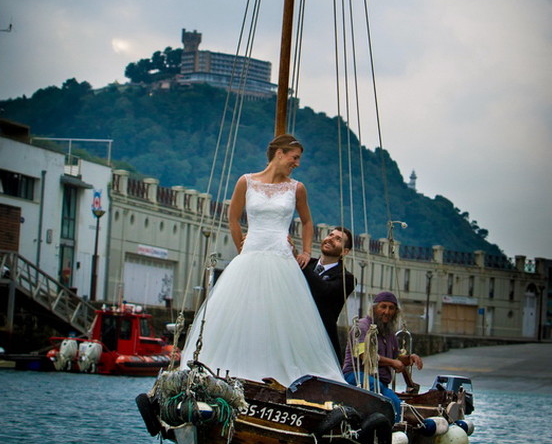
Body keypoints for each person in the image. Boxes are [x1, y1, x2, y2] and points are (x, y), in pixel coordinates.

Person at [179, 134, 344, 386]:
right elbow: (233, 218)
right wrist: (240, 246)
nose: (297, 163)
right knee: (242, 312)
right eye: (294, 157)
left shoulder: (296, 188)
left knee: (281, 317)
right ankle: (228, 371)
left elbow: (307, 221)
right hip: (251, 255)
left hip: (281, 258)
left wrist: (306, 252)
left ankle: (279, 377)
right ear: (279, 153)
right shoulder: (246, 181)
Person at [342, 291, 423, 422]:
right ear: (374, 308)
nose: (387, 311)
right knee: (384, 399)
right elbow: (364, 356)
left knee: (396, 403)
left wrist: (410, 358)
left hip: (380, 383)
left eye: (391, 308)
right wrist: (392, 363)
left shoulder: (390, 333)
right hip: (356, 376)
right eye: (383, 307)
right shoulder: (362, 327)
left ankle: (394, 433)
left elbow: (396, 358)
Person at [302, 227, 356, 362]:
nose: (331, 239)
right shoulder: (305, 264)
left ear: (345, 251)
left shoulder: (347, 279)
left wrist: (300, 263)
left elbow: (324, 292)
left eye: (338, 239)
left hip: (320, 344)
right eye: (330, 235)